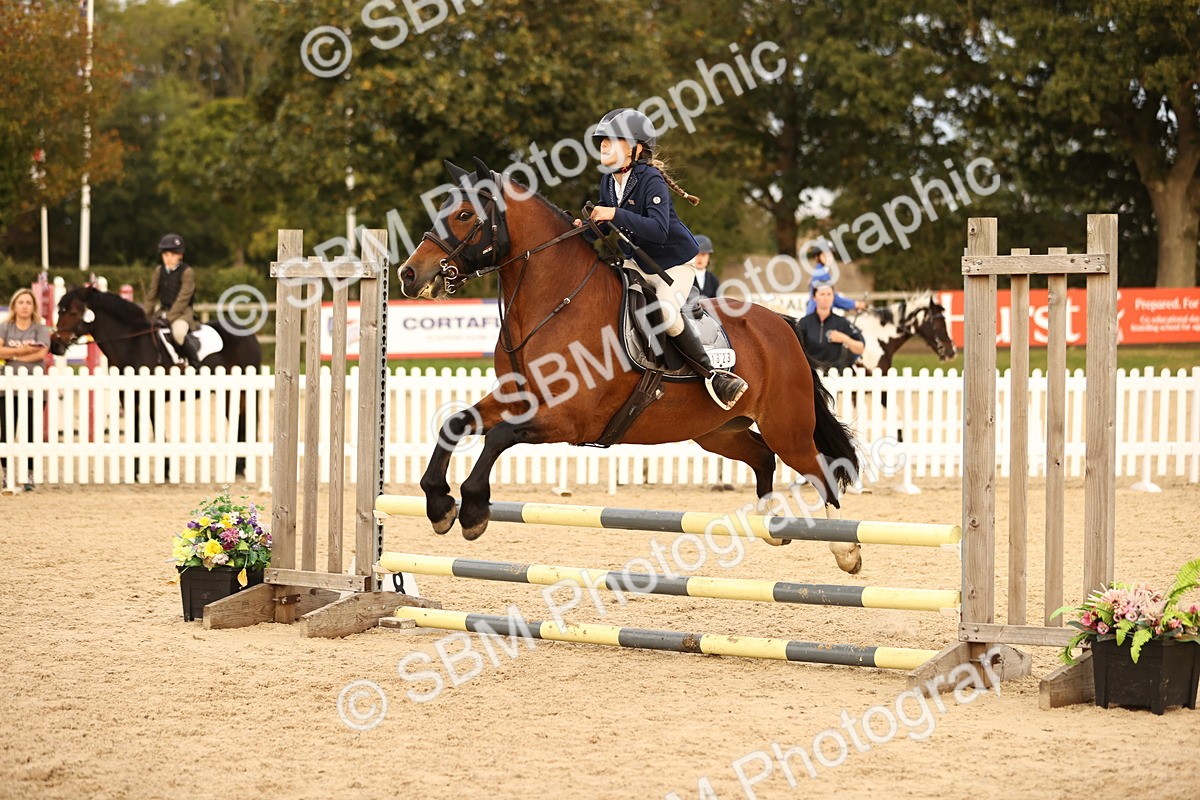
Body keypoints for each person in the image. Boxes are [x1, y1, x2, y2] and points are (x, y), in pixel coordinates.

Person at [574, 108, 747, 410]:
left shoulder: (650, 179)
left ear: (636, 148)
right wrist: (582, 230)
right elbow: (602, 227)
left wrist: (615, 213)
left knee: (666, 315)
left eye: (613, 139)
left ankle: (713, 375)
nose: (603, 144)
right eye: (602, 140)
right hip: (637, 262)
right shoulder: (607, 183)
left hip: (673, 264)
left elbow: (657, 229)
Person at [0, 288, 51, 492]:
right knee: (6, 431)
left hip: (33, 388)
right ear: (14, 305)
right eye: (20, 302)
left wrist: (13, 357)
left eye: (28, 302)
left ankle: (29, 473)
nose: (24, 306)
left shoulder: (40, 329)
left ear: (33, 307)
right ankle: (6, 473)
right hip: (7, 388)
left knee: (30, 432)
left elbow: (41, 353)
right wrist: (24, 350)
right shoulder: (5, 327)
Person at [143, 232, 201, 369]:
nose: (168, 259)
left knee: (179, 334)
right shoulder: (159, 270)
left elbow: (183, 298)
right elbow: (152, 295)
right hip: (163, 311)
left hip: (182, 313)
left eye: (173, 255)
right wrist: (144, 316)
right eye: (166, 255)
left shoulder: (187, 272)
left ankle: (195, 364)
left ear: (180, 256)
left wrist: (169, 318)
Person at [798, 283, 866, 370]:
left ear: (833, 297)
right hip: (811, 374)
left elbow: (860, 348)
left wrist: (844, 339)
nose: (825, 298)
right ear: (814, 297)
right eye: (822, 294)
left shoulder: (842, 322)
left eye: (829, 294)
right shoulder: (804, 322)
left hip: (835, 375)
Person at [804, 248, 867, 315]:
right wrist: (855, 304)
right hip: (818, 316)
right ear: (817, 257)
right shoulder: (821, 274)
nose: (828, 258)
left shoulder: (822, 272)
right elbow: (832, 298)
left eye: (830, 255)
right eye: (825, 255)